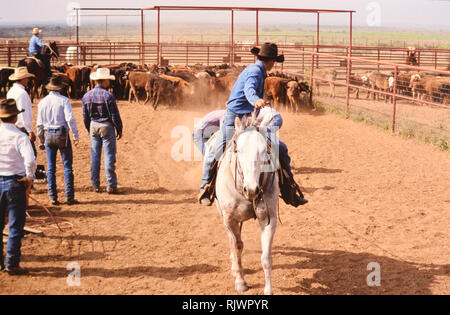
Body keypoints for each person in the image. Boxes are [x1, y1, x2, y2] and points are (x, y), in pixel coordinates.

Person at [199, 42, 307, 207]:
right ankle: (205, 187)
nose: (274, 64)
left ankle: (289, 188)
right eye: (274, 61)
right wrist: (255, 100)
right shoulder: (255, 72)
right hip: (234, 116)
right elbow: (249, 89)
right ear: (271, 61)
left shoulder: (258, 71)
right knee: (216, 149)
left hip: (250, 117)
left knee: (279, 147)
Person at [0, 99, 36, 275]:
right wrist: (29, 178)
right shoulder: (20, 137)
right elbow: (30, 160)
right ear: (15, 118)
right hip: (15, 182)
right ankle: (12, 263)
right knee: (15, 225)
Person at [36, 76, 80, 206]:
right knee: (67, 166)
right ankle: (69, 197)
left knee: (50, 168)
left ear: (49, 88)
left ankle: (53, 197)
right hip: (62, 134)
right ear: (60, 88)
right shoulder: (64, 100)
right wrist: (75, 135)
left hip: (49, 134)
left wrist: (41, 139)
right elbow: (70, 118)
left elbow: (39, 124)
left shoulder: (42, 102)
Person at [82, 68, 123, 194]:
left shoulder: (86, 96)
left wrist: (89, 127)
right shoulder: (108, 96)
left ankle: (95, 184)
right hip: (106, 126)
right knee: (109, 156)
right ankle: (111, 185)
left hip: (93, 125)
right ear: (104, 81)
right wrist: (119, 128)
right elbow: (114, 115)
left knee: (95, 156)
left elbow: (85, 116)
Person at [7, 67, 37, 156]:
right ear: (23, 79)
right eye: (27, 78)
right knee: (31, 155)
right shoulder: (22, 93)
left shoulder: (10, 91)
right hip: (21, 128)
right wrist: (30, 130)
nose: (28, 80)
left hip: (12, 126)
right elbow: (24, 113)